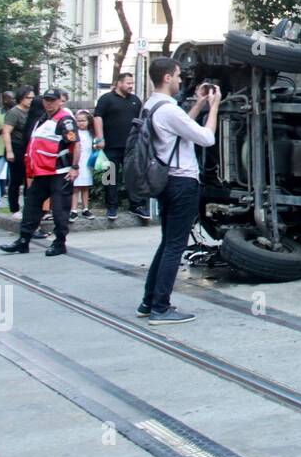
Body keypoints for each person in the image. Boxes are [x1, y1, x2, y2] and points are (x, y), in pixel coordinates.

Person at [137, 57, 220, 325]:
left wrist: (198, 104)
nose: (181, 80)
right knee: (175, 245)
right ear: (167, 78)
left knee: (166, 243)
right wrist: (214, 108)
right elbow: (206, 138)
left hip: (165, 181)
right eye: (177, 75)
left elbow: (180, 129)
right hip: (182, 182)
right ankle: (161, 307)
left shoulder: (151, 106)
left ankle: (149, 301)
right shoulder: (169, 110)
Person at [0, 90, 78, 257]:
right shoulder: (43, 118)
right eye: (46, 100)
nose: (49, 103)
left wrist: (75, 167)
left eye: (52, 100)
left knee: (59, 209)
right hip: (43, 172)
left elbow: (75, 144)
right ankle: (23, 241)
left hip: (59, 172)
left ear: (60, 102)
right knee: (31, 206)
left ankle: (60, 243)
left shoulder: (65, 120)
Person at [94, 72, 145, 221]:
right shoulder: (106, 99)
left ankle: (136, 205)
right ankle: (111, 206)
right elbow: (97, 117)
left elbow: (141, 121)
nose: (131, 86)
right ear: (119, 83)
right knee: (109, 177)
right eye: (128, 83)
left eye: (132, 83)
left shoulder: (135, 100)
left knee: (133, 176)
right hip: (110, 145)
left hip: (131, 147)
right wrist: (99, 138)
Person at [2, 87, 34, 216]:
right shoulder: (14, 112)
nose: (31, 100)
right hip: (17, 147)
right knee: (16, 179)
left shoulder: (32, 112)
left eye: (32, 98)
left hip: (29, 148)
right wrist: (9, 151)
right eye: (28, 98)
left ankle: (28, 206)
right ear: (21, 98)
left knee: (29, 179)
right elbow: (6, 132)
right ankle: (14, 208)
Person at [70, 109, 94, 219]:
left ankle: (85, 208)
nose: (81, 123)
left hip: (87, 162)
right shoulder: (75, 133)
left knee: (85, 186)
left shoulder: (91, 133)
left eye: (83, 120)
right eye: (78, 121)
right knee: (75, 187)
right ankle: (73, 209)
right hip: (77, 162)